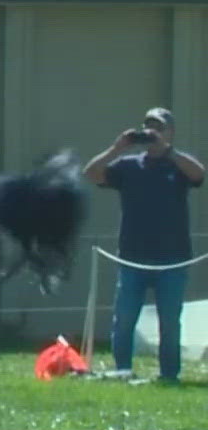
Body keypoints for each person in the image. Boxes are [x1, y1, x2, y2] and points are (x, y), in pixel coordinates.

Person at [82, 107, 204, 382]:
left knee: (170, 323)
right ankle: (123, 370)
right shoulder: (129, 166)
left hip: (173, 259)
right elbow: (91, 173)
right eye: (148, 128)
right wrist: (117, 148)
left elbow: (198, 175)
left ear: (170, 133)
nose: (152, 133)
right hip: (132, 258)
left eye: (158, 128)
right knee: (124, 320)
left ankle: (169, 374)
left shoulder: (178, 165)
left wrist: (168, 150)